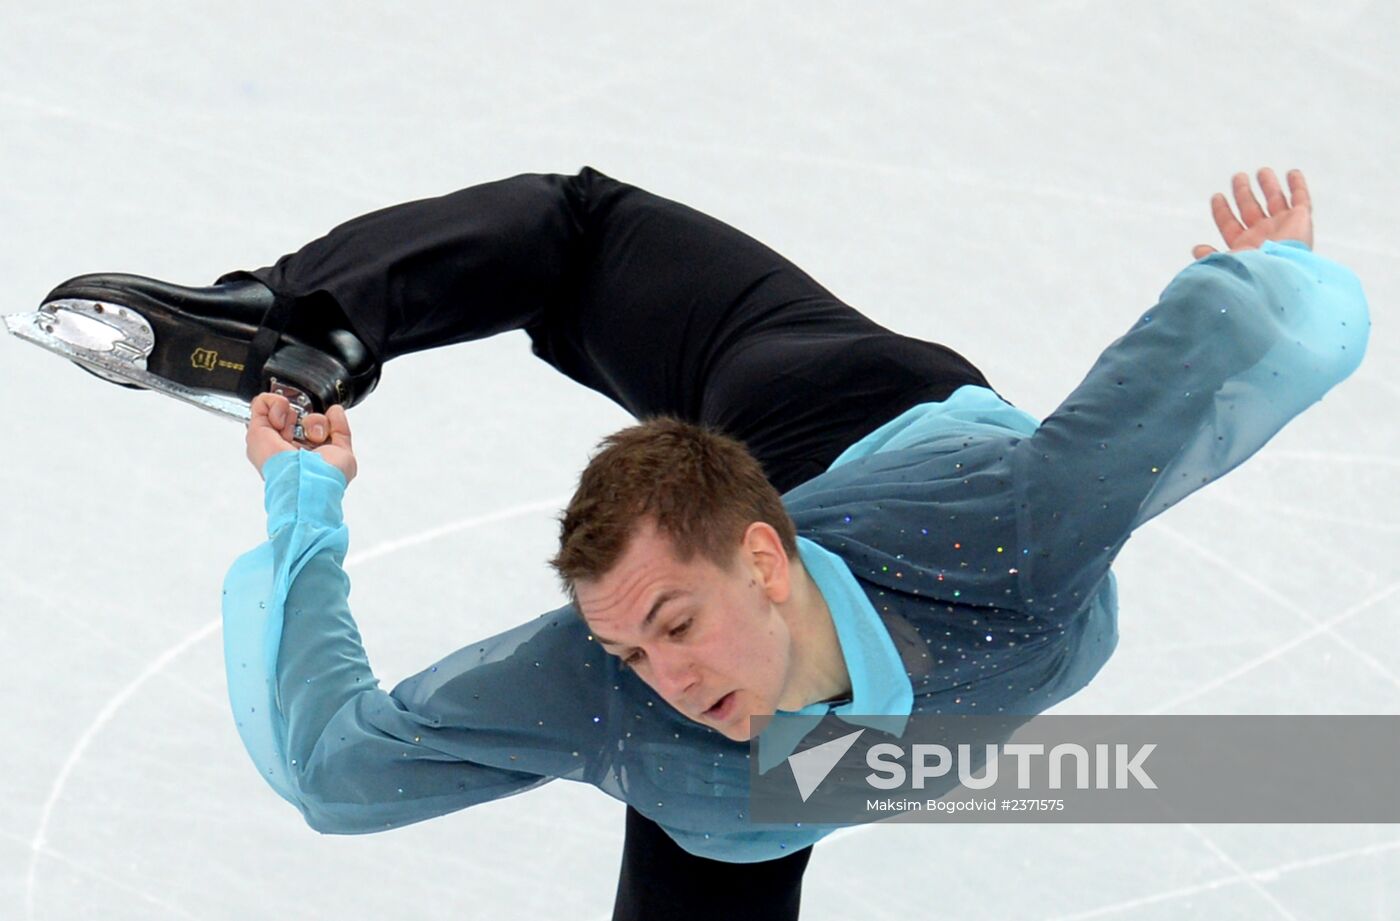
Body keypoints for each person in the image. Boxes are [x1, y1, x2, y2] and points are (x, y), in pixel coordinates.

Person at [43, 166, 1367, 919]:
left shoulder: (1013, 535)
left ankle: (313, 309)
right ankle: (303, 338)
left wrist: (1274, 273)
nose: (661, 674)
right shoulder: (616, 694)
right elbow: (338, 768)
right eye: (628, 646)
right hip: (759, 783)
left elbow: (1240, 350)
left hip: (841, 413)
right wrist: (301, 502)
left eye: (674, 626)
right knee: (726, 776)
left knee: (580, 236)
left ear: (766, 557)